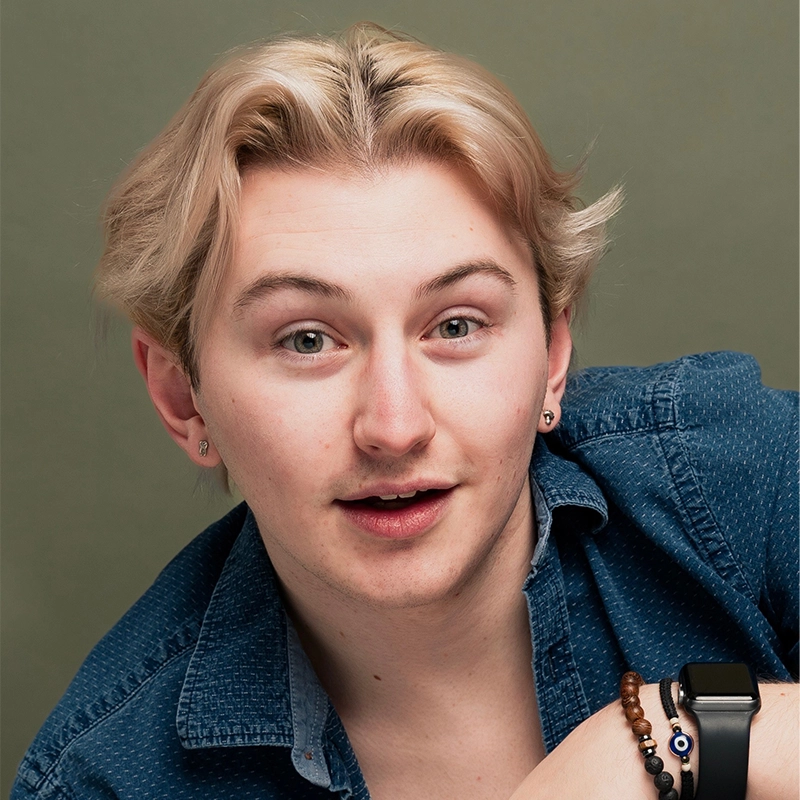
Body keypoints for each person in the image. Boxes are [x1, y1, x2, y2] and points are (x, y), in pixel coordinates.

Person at [12, 22, 797, 800]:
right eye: (307, 340)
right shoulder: (103, 780)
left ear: (553, 359)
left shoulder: (732, 478)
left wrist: (665, 739)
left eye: (457, 326)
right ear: (185, 398)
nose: (394, 427)